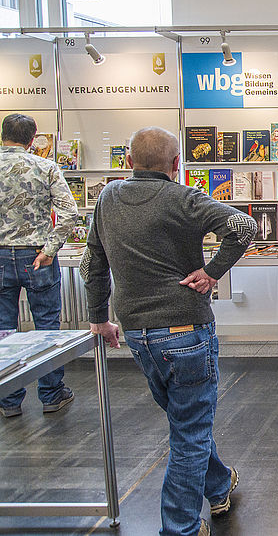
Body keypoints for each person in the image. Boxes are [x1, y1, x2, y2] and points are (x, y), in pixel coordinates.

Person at [82, 127, 257, 536]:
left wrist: (98, 317)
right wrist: (212, 272)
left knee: (186, 422)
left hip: (138, 335)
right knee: (190, 433)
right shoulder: (183, 197)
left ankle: (218, 486)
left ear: (129, 161)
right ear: (177, 163)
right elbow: (244, 226)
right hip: (186, 329)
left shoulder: (107, 198)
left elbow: (93, 261)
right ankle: (179, 528)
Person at [0, 113, 79, 418]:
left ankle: (8, 399)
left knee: (4, 329)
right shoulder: (45, 166)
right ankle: (51, 394)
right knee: (47, 326)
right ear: (33, 139)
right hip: (37, 255)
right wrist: (50, 249)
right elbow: (70, 213)